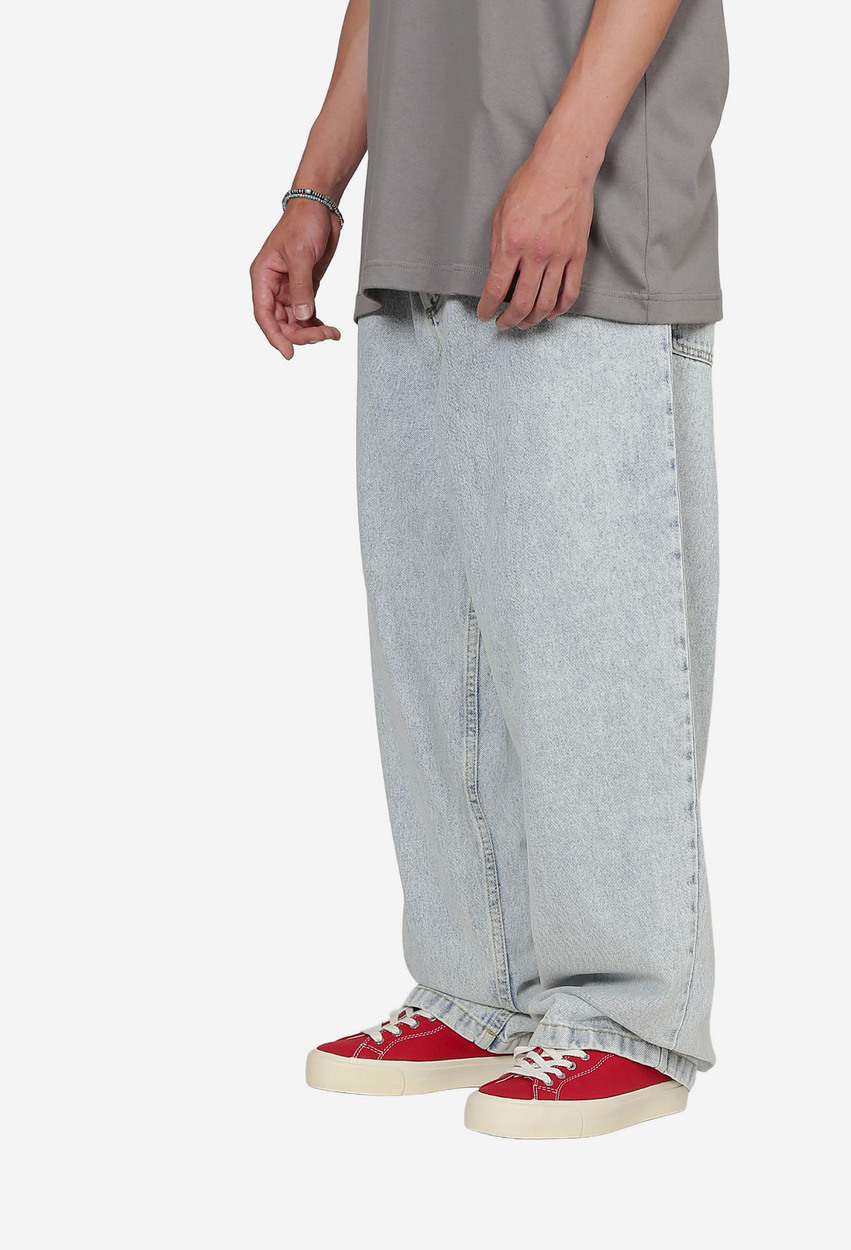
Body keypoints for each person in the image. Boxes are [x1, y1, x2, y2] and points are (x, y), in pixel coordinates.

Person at [250, 0, 729, 1140]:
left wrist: (567, 159)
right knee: (430, 641)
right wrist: (316, 192)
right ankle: (481, 984)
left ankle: (629, 1017)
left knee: (589, 638)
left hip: (586, 211)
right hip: (420, 216)